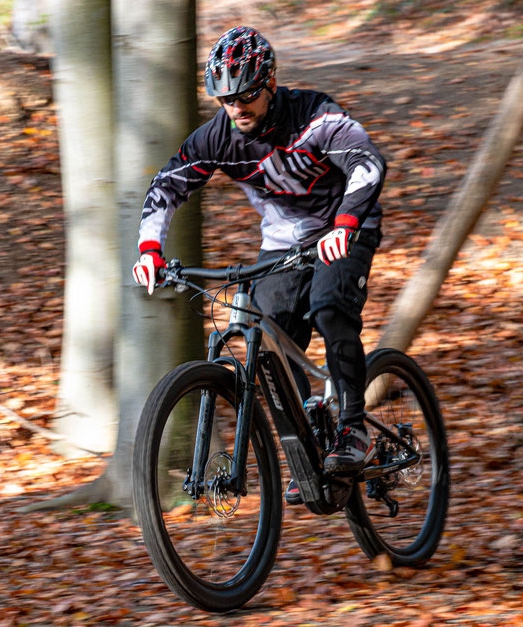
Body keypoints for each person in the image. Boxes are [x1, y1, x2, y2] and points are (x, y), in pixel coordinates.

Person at [131, 26, 386, 504]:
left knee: (330, 307)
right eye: (226, 99)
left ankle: (353, 428)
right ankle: (312, 438)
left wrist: (346, 223)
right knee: (266, 335)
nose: (238, 107)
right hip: (285, 245)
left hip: (345, 226)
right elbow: (166, 185)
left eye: (247, 94)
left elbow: (366, 162)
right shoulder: (219, 137)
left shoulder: (316, 117)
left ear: (270, 83)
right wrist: (150, 250)